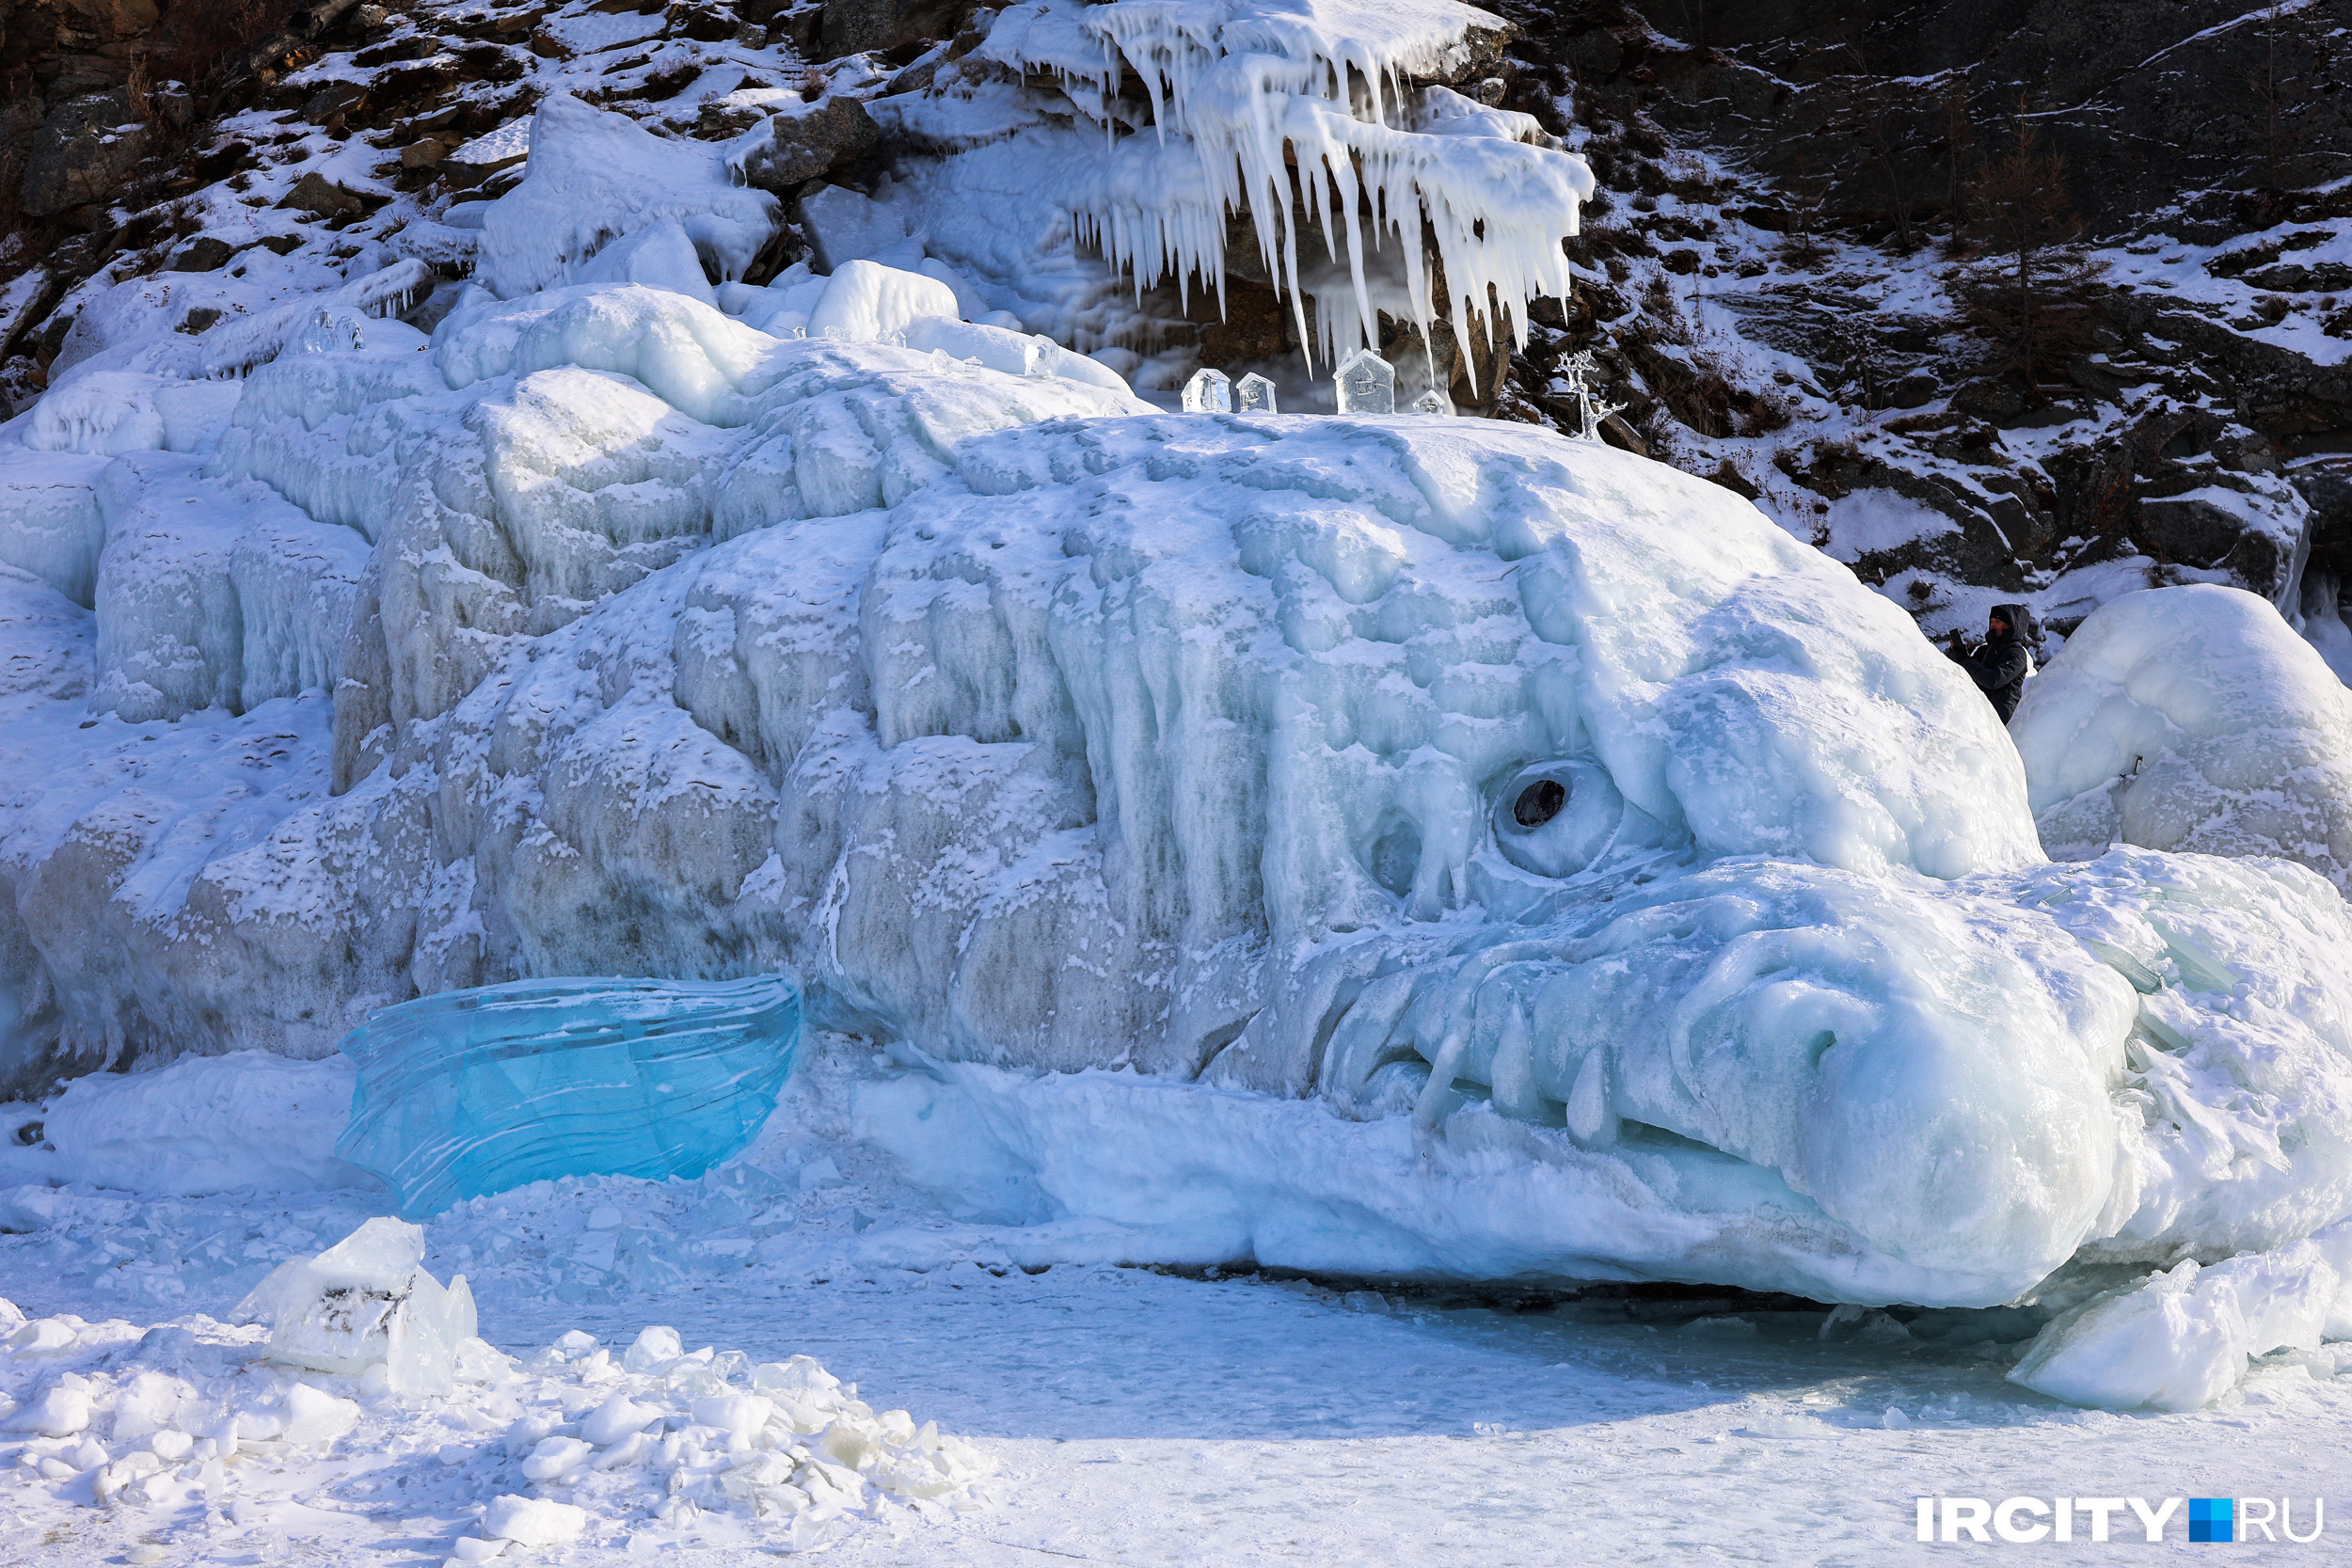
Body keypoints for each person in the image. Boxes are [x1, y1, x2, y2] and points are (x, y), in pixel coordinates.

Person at [1945, 603, 2034, 723]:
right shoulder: (1984, 650)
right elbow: (1964, 675)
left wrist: (1965, 660)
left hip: (2000, 721)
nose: (1992, 625)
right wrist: (1956, 654)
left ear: (2010, 625)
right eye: (1991, 621)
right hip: (1976, 715)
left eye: (1997, 621)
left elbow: (1994, 680)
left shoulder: (2016, 654)